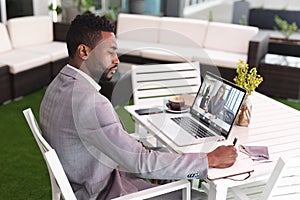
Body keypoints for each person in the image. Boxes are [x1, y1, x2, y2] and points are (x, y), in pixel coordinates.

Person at [39, 14, 237, 200]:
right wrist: (209, 159)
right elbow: (141, 163)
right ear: (84, 51)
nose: (116, 60)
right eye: (110, 52)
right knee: (200, 196)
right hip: (105, 191)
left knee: (164, 161)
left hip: (83, 181)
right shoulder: (91, 102)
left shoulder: (57, 84)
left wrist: (137, 150)